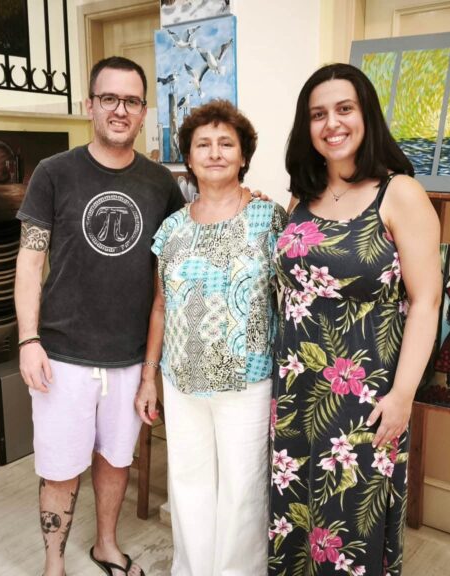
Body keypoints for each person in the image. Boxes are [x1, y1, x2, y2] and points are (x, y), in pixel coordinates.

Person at [268, 63, 442, 575]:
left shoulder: (400, 193)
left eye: (344, 109)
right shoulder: (303, 193)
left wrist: (403, 396)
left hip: (364, 396)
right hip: (297, 390)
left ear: (366, 115)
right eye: (318, 114)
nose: (332, 124)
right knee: (296, 520)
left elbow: (427, 302)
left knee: (348, 527)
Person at [15, 56, 184, 576]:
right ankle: (53, 562)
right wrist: (28, 340)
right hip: (62, 354)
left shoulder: (161, 183)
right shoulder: (54, 173)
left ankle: (106, 544)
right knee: (60, 466)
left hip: (129, 356)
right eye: (109, 98)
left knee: (116, 459)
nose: (120, 110)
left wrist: (248, 202)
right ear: (90, 105)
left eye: (131, 101)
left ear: (143, 112)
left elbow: (182, 254)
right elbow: (30, 260)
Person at [135, 100, 286, 576]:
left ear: (244, 156)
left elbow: (289, 300)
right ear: (189, 157)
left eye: (226, 144)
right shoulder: (172, 228)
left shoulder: (270, 218)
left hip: (249, 380)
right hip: (182, 379)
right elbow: (161, 306)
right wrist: (149, 377)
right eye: (203, 144)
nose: (215, 153)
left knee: (243, 491)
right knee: (188, 484)